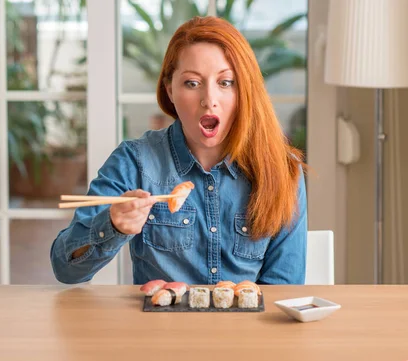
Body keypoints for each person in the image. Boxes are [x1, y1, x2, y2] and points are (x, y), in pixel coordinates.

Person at [50, 16, 307, 285]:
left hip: (244, 326)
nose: (209, 101)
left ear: (245, 91)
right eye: (192, 83)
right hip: (162, 326)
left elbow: (283, 288)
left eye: (226, 82)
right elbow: (65, 269)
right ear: (170, 90)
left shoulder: (282, 169)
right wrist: (112, 226)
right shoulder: (134, 162)